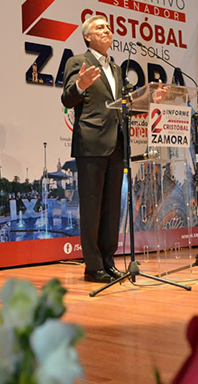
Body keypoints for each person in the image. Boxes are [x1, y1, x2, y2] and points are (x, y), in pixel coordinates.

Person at [61, 15, 125, 283]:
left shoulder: (116, 68)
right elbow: (67, 98)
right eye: (100, 27)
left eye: (108, 27)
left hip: (116, 145)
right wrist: (80, 85)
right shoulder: (78, 62)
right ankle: (93, 266)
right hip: (91, 143)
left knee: (112, 209)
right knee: (91, 208)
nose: (107, 30)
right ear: (87, 36)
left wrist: (148, 100)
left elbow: (122, 104)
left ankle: (108, 261)